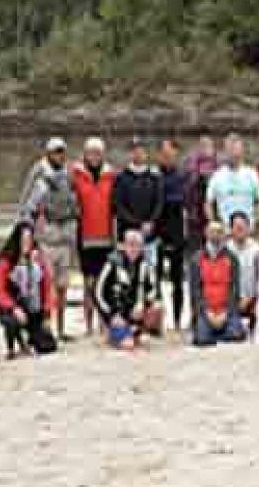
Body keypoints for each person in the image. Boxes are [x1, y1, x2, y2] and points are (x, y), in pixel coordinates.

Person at [18, 136, 78, 343]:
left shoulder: (69, 173)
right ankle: (47, 327)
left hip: (66, 239)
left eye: (62, 151)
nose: (60, 155)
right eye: (56, 151)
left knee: (63, 286)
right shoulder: (40, 175)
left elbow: (75, 202)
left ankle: (61, 328)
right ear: (48, 153)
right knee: (47, 286)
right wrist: (28, 234)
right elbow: (27, 207)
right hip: (46, 239)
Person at [70, 137, 116, 337]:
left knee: (104, 284)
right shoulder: (76, 174)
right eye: (91, 152)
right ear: (85, 154)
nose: (94, 156)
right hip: (85, 237)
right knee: (88, 284)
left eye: (98, 152)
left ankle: (103, 323)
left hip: (106, 237)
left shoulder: (111, 175)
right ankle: (88, 326)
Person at [0, 222, 58, 359]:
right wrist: (14, 308)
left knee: (48, 346)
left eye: (29, 239)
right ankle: (14, 347)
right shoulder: (7, 260)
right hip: (13, 306)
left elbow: (47, 287)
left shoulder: (38, 258)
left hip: (33, 307)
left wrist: (47, 313)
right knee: (11, 321)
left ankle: (30, 339)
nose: (27, 243)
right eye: (24, 239)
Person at [94, 229, 163, 349]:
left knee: (158, 307)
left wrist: (144, 305)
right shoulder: (112, 263)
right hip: (117, 314)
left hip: (136, 313)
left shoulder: (147, 264)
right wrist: (111, 315)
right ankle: (113, 334)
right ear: (124, 245)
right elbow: (97, 293)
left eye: (137, 245)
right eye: (131, 244)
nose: (134, 249)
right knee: (128, 346)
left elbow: (155, 291)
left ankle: (140, 331)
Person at [188, 221, 248, 347]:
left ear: (224, 235)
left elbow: (235, 289)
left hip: (226, 311)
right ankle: (209, 329)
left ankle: (222, 329)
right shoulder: (196, 259)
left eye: (219, 232)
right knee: (202, 340)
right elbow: (195, 291)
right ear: (206, 234)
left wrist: (226, 312)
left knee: (236, 336)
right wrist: (206, 312)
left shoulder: (232, 258)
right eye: (212, 231)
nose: (215, 235)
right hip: (206, 311)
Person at [155, 138, 190, 331]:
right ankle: (159, 320)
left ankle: (177, 320)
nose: (168, 157)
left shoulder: (182, 176)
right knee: (157, 279)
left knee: (178, 280)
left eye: (171, 154)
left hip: (177, 231)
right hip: (158, 231)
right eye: (165, 153)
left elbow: (184, 201)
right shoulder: (154, 175)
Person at [113, 137, 163, 269]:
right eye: (135, 151)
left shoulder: (154, 177)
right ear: (130, 154)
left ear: (146, 154)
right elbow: (118, 204)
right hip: (127, 232)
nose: (138, 154)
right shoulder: (121, 177)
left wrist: (150, 221)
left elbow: (159, 202)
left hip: (149, 235)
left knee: (149, 271)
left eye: (141, 151)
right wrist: (137, 224)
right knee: (126, 271)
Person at [205, 134, 259, 231]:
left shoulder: (252, 174)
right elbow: (208, 203)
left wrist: (256, 222)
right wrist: (214, 224)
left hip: (248, 230)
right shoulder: (217, 175)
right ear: (225, 151)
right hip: (225, 231)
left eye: (236, 148)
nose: (233, 152)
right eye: (230, 149)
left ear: (242, 150)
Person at [182, 135, 220, 252]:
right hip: (195, 214)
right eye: (202, 146)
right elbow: (186, 189)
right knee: (195, 249)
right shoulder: (190, 165)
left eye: (208, 145)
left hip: (214, 213)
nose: (205, 149)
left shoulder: (219, 166)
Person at [226, 211, 259, 329]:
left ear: (248, 228)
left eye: (242, 227)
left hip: (252, 298)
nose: (239, 230)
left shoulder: (258, 251)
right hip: (230, 299)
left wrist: (250, 298)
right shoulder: (224, 251)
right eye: (236, 227)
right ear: (231, 229)